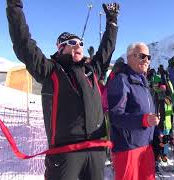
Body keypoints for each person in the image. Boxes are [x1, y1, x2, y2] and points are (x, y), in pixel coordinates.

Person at [6, 0, 119, 179]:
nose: (79, 45)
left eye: (81, 43)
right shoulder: (50, 71)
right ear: (61, 47)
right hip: (65, 154)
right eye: (73, 42)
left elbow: (106, 50)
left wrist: (112, 21)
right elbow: (23, 44)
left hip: (96, 150)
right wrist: (14, 7)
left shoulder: (92, 71)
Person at [107, 42, 159, 180]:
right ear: (129, 57)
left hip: (146, 146)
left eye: (149, 57)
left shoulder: (143, 82)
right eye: (142, 56)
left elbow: (147, 111)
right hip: (128, 149)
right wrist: (144, 120)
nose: (146, 60)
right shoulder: (122, 80)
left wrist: (156, 135)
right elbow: (116, 117)